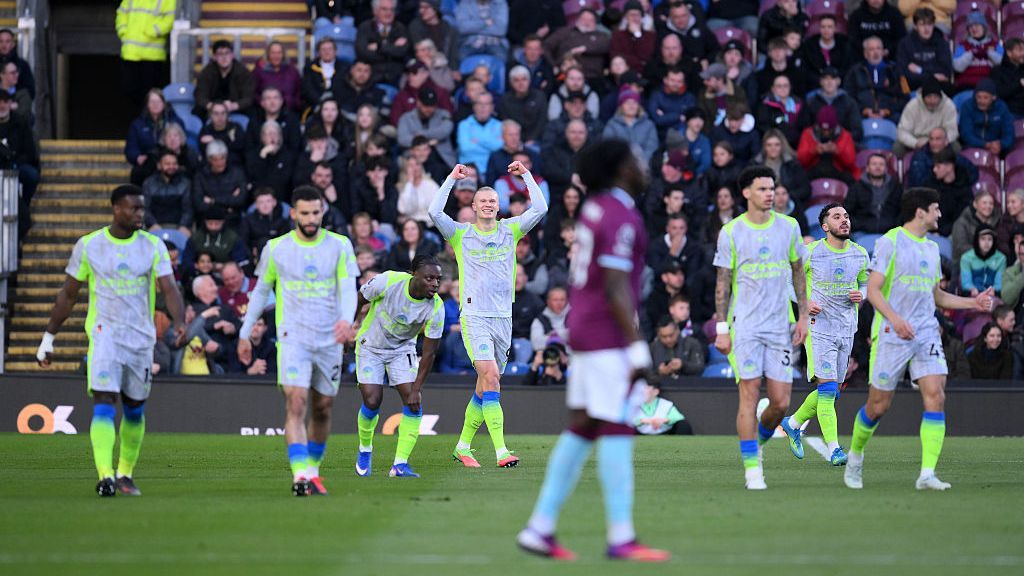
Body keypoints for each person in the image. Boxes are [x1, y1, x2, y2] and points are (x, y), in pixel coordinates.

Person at [517, 138, 670, 562]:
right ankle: (621, 536)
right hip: (606, 333)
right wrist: (638, 348)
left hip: (583, 328)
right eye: (637, 157)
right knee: (618, 424)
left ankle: (540, 527)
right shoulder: (620, 213)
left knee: (585, 424)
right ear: (621, 168)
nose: (643, 164)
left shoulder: (594, 208)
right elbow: (617, 285)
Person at [36, 184, 186, 497]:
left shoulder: (152, 246)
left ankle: (125, 474)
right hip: (104, 337)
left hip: (140, 340)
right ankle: (105, 475)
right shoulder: (89, 245)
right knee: (104, 401)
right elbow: (69, 294)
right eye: (134, 208)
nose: (140, 214)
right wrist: (49, 336)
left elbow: (169, 288)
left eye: (142, 208)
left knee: (134, 408)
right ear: (116, 209)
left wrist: (180, 321)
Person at [844, 187, 995, 491]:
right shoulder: (891, 241)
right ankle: (856, 455)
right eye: (936, 208)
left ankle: (927, 473)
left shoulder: (931, 249)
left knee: (936, 393)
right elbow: (873, 290)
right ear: (920, 211)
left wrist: (973, 303)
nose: (940, 214)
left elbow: (936, 295)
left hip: (925, 330)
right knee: (878, 406)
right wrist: (895, 319)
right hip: (891, 332)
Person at [237, 186, 360, 497]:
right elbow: (261, 292)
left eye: (315, 212)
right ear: (293, 213)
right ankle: (300, 474)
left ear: (322, 212)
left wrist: (346, 320)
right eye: (304, 213)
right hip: (294, 337)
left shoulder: (339, 245)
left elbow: (347, 288)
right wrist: (244, 331)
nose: (310, 218)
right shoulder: (276, 248)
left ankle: (313, 471)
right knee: (296, 402)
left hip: (329, 337)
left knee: (323, 407)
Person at [429, 160, 548, 469]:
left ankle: (462, 447)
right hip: (474, 317)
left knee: (485, 386)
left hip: (502, 318)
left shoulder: (511, 229)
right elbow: (434, 213)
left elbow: (541, 208)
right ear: (473, 204)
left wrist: (526, 176)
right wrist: (451, 180)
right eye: (482, 200)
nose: (487, 205)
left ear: (498, 206)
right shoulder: (460, 234)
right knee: (491, 375)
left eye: (492, 201)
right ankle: (501, 451)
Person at [713, 165, 809, 490]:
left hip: (781, 324)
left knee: (780, 402)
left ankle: (761, 441)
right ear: (746, 193)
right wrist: (721, 328)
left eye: (772, 189)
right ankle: (752, 471)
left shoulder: (790, 227)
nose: (770, 194)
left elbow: (798, 272)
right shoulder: (732, 232)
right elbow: (722, 283)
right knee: (749, 395)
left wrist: (805, 316)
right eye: (763, 189)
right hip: (746, 327)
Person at [779, 204, 869, 467]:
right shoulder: (811, 252)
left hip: (846, 327)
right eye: (837, 217)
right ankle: (834, 450)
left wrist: (860, 294)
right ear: (825, 226)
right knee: (828, 390)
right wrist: (804, 303)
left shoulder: (860, 254)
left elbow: (864, 282)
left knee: (834, 391)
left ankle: (793, 423)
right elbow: (788, 281)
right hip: (819, 328)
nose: (844, 220)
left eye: (846, 216)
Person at [351, 256, 445, 478]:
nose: (435, 284)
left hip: (402, 352)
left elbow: (430, 352)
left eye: (438, 279)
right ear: (414, 275)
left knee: (414, 404)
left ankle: (400, 465)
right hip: (370, 346)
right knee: (372, 401)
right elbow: (360, 298)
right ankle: (365, 450)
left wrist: (416, 389)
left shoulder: (436, 308)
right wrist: (351, 326)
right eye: (429, 278)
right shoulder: (388, 281)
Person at [116, 0, 174, 110]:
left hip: (152, 55)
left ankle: (149, 121)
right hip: (130, 53)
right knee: (129, 90)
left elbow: (170, 19)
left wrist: (153, 31)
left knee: (151, 95)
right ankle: (142, 119)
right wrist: (123, 31)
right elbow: (121, 13)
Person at [845, 152, 903, 249]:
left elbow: (902, 211)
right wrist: (859, 225)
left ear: (886, 169)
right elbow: (847, 211)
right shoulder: (856, 187)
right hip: (861, 232)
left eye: (881, 164)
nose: (878, 167)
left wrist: (895, 227)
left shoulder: (896, 187)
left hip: (890, 233)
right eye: (874, 164)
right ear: (867, 167)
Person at [542, 8, 610, 84]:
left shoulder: (601, 36)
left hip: (593, 78)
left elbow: (606, 45)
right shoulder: (564, 32)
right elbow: (546, 46)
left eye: (590, 20)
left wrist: (584, 49)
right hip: (564, 76)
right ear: (577, 20)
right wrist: (554, 65)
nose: (587, 22)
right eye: (584, 19)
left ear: (595, 23)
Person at [845, 36, 905, 122]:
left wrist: (888, 111)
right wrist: (863, 110)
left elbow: (906, 96)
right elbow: (848, 96)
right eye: (871, 49)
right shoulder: (854, 72)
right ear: (865, 54)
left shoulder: (898, 70)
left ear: (883, 52)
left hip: (890, 116)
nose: (876, 52)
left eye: (878, 48)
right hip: (862, 116)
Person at [797, 105, 859, 183]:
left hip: (838, 171)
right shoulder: (808, 134)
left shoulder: (845, 135)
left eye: (829, 130)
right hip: (813, 170)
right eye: (823, 130)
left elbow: (851, 163)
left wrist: (837, 151)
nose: (826, 133)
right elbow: (801, 160)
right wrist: (814, 150)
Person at [193, 40, 254, 119]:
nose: (224, 57)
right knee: (197, 112)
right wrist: (211, 106)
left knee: (253, 113)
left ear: (232, 55)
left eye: (227, 53)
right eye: (220, 54)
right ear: (214, 57)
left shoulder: (243, 73)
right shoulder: (207, 73)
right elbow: (199, 95)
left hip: (235, 107)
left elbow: (248, 98)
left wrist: (234, 105)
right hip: (212, 107)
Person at [896, 8, 952, 93]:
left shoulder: (941, 42)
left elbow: (946, 71)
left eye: (929, 24)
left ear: (934, 25)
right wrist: (933, 75)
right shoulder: (905, 43)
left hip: (937, 88)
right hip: (913, 87)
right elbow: (903, 73)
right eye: (922, 24)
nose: (926, 29)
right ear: (915, 26)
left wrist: (919, 70)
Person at [896, 78, 958, 154]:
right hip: (917, 140)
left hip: (940, 140)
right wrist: (915, 143)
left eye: (935, 97)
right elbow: (902, 132)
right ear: (923, 97)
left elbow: (952, 130)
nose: (932, 100)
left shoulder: (949, 106)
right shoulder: (912, 106)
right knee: (898, 146)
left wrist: (944, 141)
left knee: (956, 147)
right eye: (929, 97)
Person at [355, 0, 411, 86]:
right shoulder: (365, 27)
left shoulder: (401, 28)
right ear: (375, 11)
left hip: (396, 76)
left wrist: (379, 47)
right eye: (384, 9)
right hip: (372, 76)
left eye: (391, 10)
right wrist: (392, 48)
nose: (388, 13)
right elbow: (363, 53)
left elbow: (402, 51)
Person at [958, 79, 1014, 158]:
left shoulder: (1002, 108)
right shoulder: (967, 107)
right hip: (973, 147)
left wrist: (1001, 144)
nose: (981, 101)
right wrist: (985, 145)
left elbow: (1009, 133)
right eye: (978, 97)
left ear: (993, 97)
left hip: (998, 148)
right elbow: (966, 134)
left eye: (985, 98)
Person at [923, 148, 972, 238]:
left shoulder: (963, 188)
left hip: (953, 233)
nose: (934, 170)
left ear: (949, 167)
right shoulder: (929, 185)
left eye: (938, 166)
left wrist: (941, 232)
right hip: (929, 231)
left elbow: (961, 218)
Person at [143, 148, 193, 235]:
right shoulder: (149, 183)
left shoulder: (185, 183)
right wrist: (153, 224)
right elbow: (145, 208)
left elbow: (188, 209)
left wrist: (183, 225)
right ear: (159, 165)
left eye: (174, 164)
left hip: (178, 226)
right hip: (154, 226)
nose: (171, 167)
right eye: (167, 164)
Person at [456, 91, 502, 181]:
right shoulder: (464, 125)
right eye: (479, 103)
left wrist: (478, 141)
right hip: (468, 173)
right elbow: (466, 149)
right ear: (474, 106)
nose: (483, 107)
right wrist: (491, 144)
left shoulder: (500, 125)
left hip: (493, 173)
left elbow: (500, 147)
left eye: (486, 104)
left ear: (492, 107)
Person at [952, 12, 1003, 91]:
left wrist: (989, 53)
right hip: (967, 85)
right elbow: (957, 67)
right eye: (970, 26)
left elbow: (1003, 63)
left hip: (990, 85)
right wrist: (971, 54)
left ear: (984, 27)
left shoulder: (995, 45)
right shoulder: (962, 46)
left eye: (977, 25)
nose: (974, 29)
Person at [498, 66, 548, 146]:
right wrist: (518, 139)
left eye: (524, 79)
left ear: (529, 81)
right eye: (516, 80)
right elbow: (506, 122)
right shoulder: (505, 100)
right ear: (511, 83)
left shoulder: (539, 96)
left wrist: (532, 139)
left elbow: (541, 121)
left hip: (536, 138)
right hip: (513, 139)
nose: (521, 83)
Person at [951, 190, 999, 272]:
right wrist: (983, 253)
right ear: (975, 205)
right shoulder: (962, 223)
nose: (988, 206)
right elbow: (960, 247)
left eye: (991, 203)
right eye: (984, 203)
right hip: (964, 265)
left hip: (991, 265)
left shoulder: (997, 221)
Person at [650, 316, 705, 384]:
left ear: (677, 331)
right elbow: (645, 373)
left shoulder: (691, 343)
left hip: (689, 386)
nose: (668, 340)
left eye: (671, 335)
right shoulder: (652, 348)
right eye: (664, 336)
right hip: (662, 387)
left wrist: (683, 365)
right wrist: (659, 372)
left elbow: (699, 367)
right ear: (658, 334)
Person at [251, 41, 302, 114]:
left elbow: (299, 92)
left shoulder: (293, 71)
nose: (276, 56)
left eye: (279, 53)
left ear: (283, 54)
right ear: (268, 54)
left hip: (290, 113)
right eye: (273, 53)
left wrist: (294, 103)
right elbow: (253, 93)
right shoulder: (258, 72)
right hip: (264, 114)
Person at [960, 226, 1006, 297]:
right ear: (976, 240)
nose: (986, 243)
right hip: (972, 295)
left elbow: (999, 284)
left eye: (990, 239)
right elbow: (966, 283)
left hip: (992, 296)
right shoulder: (966, 258)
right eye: (983, 239)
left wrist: (993, 290)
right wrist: (972, 289)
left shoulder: (1001, 258)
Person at [198, 101, 246, 167]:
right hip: (212, 166)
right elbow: (204, 149)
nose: (220, 117)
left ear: (227, 115)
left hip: (234, 165)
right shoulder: (206, 130)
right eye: (216, 113)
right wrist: (227, 141)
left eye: (223, 113)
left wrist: (214, 140)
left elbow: (239, 145)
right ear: (210, 115)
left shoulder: (235, 127)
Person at [992, 38, 1024, 119]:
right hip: (1010, 112)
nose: (1023, 53)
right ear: (1009, 53)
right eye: (1020, 50)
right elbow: (999, 93)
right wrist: (1019, 84)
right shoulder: (998, 71)